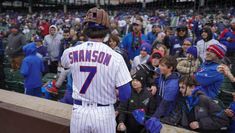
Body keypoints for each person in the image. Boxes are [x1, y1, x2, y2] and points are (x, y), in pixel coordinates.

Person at [61, 8, 132, 133]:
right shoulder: (116, 57)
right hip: (103, 113)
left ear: (86, 29)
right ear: (106, 31)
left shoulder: (70, 52)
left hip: (79, 112)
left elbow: (64, 64)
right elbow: (125, 94)